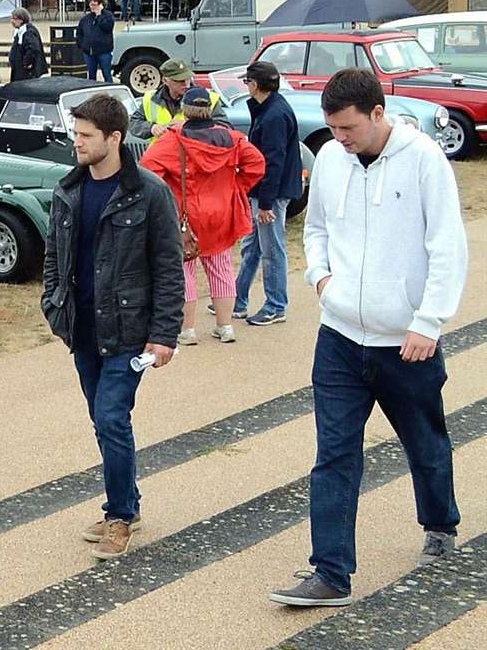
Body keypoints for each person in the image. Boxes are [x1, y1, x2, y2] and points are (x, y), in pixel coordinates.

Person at [266, 69, 466, 606]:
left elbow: (447, 245)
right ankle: (330, 572)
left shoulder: (424, 159)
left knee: (424, 443)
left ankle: (440, 522)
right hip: (339, 337)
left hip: (407, 342)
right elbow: (317, 228)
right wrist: (321, 278)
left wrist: (428, 322)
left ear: (378, 113)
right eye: (332, 128)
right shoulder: (332, 159)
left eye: (348, 127)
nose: (339, 138)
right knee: (333, 455)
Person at [41, 93, 183, 558]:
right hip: (82, 327)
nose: (76, 142)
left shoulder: (149, 192)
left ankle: (119, 515)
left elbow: (168, 266)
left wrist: (164, 334)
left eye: (85, 136)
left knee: (111, 417)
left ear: (114, 138)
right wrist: (52, 303)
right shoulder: (68, 190)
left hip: (129, 331)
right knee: (102, 422)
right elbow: (53, 256)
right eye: (76, 133)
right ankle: (130, 503)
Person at [141, 86, 264, 346]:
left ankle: (187, 330)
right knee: (221, 268)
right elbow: (257, 164)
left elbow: (147, 170)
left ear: (185, 110)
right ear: (209, 109)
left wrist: (168, 194)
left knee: (183, 270)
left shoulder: (174, 140)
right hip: (222, 212)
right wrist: (236, 187)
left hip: (185, 215)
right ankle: (225, 326)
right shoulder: (232, 138)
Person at [233, 61, 301, 327]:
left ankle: (275, 305)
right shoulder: (270, 108)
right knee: (252, 246)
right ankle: (237, 299)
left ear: (256, 85)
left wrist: (265, 203)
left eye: (248, 82)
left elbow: (273, 162)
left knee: (272, 249)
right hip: (265, 192)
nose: (246, 86)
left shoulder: (273, 116)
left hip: (271, 194)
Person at [131, 58, 228, 140]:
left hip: (194, 157)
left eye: (188, 78)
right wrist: (152, 128)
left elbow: (225, 128)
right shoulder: (150, 99)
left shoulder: (208, 98)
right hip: (161, 157)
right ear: (165, 80)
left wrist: (191, 126)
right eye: (180, 81)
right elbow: (133, 123)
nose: (186, 84)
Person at [77, 0, 117, 83]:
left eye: (95, 5)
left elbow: (108, 28)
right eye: (91, 5)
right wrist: (82, 45)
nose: (92, 7)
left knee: (107, 74)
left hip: (104, 51)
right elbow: (79, 32)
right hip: (89, 52)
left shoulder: (108, 16)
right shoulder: (86, 19)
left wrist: (99, 16)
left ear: (100, 5)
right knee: (91, 76)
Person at [8, 8, 47, 81]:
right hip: (19, 72)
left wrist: (27, 63)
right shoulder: (20, 31)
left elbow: (33, 49)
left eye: (14, 19)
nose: (12, 21)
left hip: (27, 74)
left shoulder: (29, 32)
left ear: (21, 19)